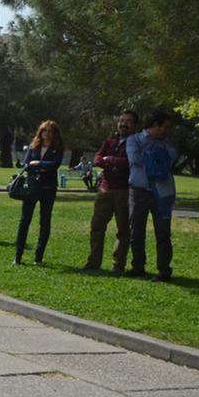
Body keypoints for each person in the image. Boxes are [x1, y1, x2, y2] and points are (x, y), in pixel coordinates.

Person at [83, 110, 137, 274]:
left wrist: (110, 160)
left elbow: (129, 162)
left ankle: (118, 265)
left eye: (128, 121)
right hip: (105, 189)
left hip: (124, 191)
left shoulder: (135, 143)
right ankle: (93, 262)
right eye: (121, 120)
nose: (123, 124)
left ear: (135, 125)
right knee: (97, 227)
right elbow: (97, 159)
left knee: (123, 230)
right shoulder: (109, 142)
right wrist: (108, 162)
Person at [127, 110, 177, 282]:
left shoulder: (167, 143)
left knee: (163, 232)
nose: (166, 131)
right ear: (155, 125)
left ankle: (164, 270)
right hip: (139, 191)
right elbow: (135, 160)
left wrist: (150, 156)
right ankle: (138, 267)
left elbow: (169, 161)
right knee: (136, 231)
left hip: (162, 193)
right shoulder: (134, 140)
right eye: (165, 127)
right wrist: (155, 156)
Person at [14, 120, 64, 265]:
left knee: (45, 221)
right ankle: (18, 255)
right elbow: (26, 164)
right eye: (44, 131)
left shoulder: (57, 148)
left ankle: (38, 256)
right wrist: (38, 167)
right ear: (40, 132)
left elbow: (54, 165)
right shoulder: (33, 146)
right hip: (31, 187)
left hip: (48, 188)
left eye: (50, 131)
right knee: (24, 220)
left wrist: (38, 164)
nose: (47, 134)